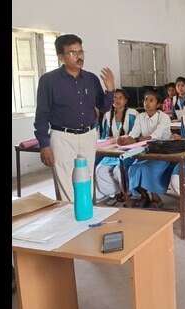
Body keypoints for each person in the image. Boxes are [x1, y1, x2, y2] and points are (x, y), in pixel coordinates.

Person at [34, 34, 115, 202]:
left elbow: (104, 107)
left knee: (87, 180)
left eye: (81, 51)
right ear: (61, 57)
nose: (79, 56)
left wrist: (110, 90)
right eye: (72, 53)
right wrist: (44, 144)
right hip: (62, 137)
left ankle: (87, 218)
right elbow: (42, 115)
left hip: (88, 135)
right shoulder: (49, 81)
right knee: (67, 185)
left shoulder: (91, 79)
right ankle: (70, 222)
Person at [117, 90, 172, 209]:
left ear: (158, 105)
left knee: (146, 168)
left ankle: (156, 198)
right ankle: (144, 196)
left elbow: (155, 136)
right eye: (145, 100)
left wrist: (135, 140)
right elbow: (134, 133)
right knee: (131, 168)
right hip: (145, 152)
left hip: (162, 153)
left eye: (151, 100)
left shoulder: (164, 117)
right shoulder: (141, 116)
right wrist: (125, 139)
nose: (147, 103)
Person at [94, 89, 139, 205]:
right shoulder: (108, 115)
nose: (117, 100)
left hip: (129, 151)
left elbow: (136, 134)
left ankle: (128, 192)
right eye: (114, 98)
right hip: (112, 152)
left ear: (126, 100)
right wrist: (108, 140)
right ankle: (117, 192)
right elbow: (104, 136)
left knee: (118, 170)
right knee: (100, 171)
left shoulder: (133, 114)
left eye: (120, 98)